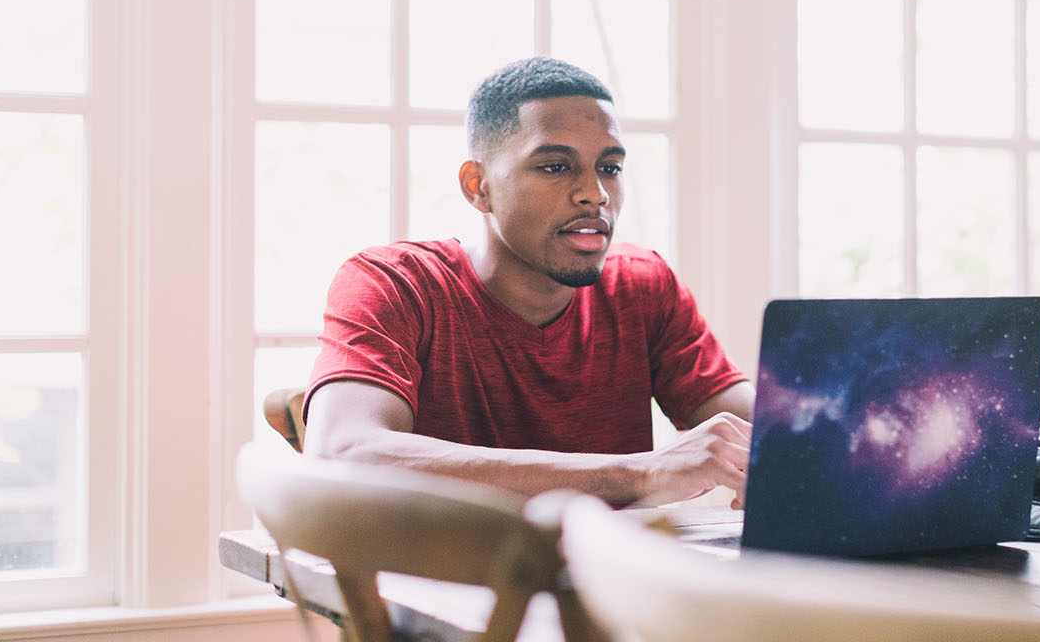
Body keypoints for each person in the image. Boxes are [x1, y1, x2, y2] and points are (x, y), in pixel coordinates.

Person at [302, 54, 754, 503]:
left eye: (610, 168)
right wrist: (643, 472)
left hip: (600, 575)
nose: (594, 194)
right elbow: (340, 453)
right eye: (556, 167)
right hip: (439, 574)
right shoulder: (394, 286)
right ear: (477, 186)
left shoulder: (641, 287)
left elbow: (776, 433)